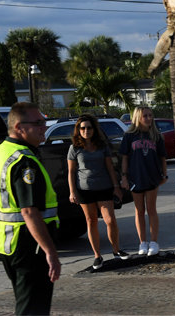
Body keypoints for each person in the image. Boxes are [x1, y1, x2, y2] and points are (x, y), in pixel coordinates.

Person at [0, 102, 61, 315]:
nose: (44, 127)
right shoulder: (24, 161)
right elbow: (29, 212)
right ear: (19, 127)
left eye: (43, 122)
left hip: (8, 245)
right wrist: (50, 252)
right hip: (30, 248)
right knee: (33, 309)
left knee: (26, 303)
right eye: (38, 123)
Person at [67, 114, 130, 269]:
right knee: (91, 221)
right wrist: (72, 191)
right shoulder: (74, 147)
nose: (86, 130)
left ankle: (117, 250)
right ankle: (97, 256)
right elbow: (71, 172)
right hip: (84, 189)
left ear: (94, 129)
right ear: (78, 130)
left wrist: (116, 187)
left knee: (110, 220)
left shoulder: (102, 146)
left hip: (104, 187)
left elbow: (109, 167)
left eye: (89, 127)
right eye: (83, 128)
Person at [120, 107, 167, 256]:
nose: (148, 118)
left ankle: (154, 242)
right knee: (139, 211)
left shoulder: (157, 136)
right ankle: (143, 242)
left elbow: (162, 158)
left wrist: (164, 175)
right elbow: (125, 158)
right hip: (135, 177)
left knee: (151, 209)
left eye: (150, 115)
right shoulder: (129, 136)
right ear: (137, 118)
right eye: (144, 116)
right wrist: (124, 177)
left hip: (152, 177)